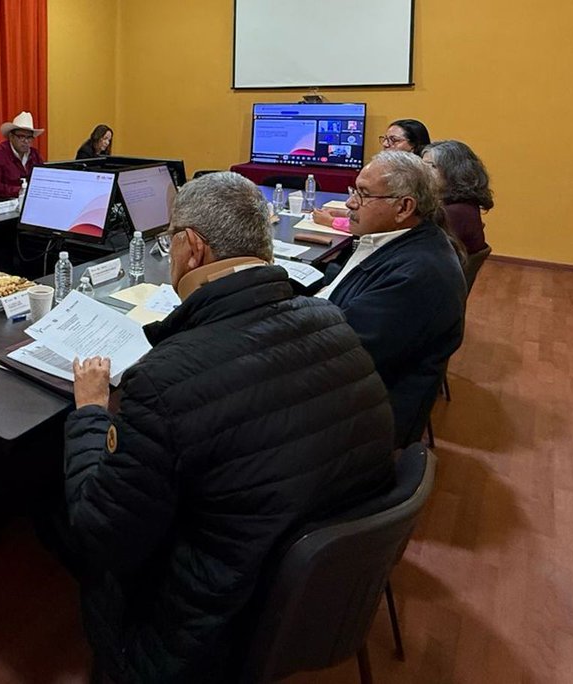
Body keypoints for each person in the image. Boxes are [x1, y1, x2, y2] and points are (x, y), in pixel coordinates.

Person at [61, 172, 396, 682]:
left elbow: (100, 533)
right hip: (320, 591)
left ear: (192, 248)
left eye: (168, 240)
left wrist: (89, 413)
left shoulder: (164, 381)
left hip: (209, 627)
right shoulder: (333, 322)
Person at [317, 150, 466, 447]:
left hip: (358, 423)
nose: (350, 203)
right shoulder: (398, 239)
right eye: (353, 190)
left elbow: (342, 357)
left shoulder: (419, 276)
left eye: (363, 194)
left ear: (404, 207)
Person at [423, 140, 493, 254]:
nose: (422, 171)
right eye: (422, 165)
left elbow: (424, 251)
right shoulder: (459, 204)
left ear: (454, 172)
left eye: (432, 166)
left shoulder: (455, 212)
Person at [0, 111, 45, 200]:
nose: (26, 141)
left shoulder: (35, 155)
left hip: (31, 200)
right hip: (3, 204)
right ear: (11, 136)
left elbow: (42, 180)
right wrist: (20, 191)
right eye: (21, 137)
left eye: (29, 137)